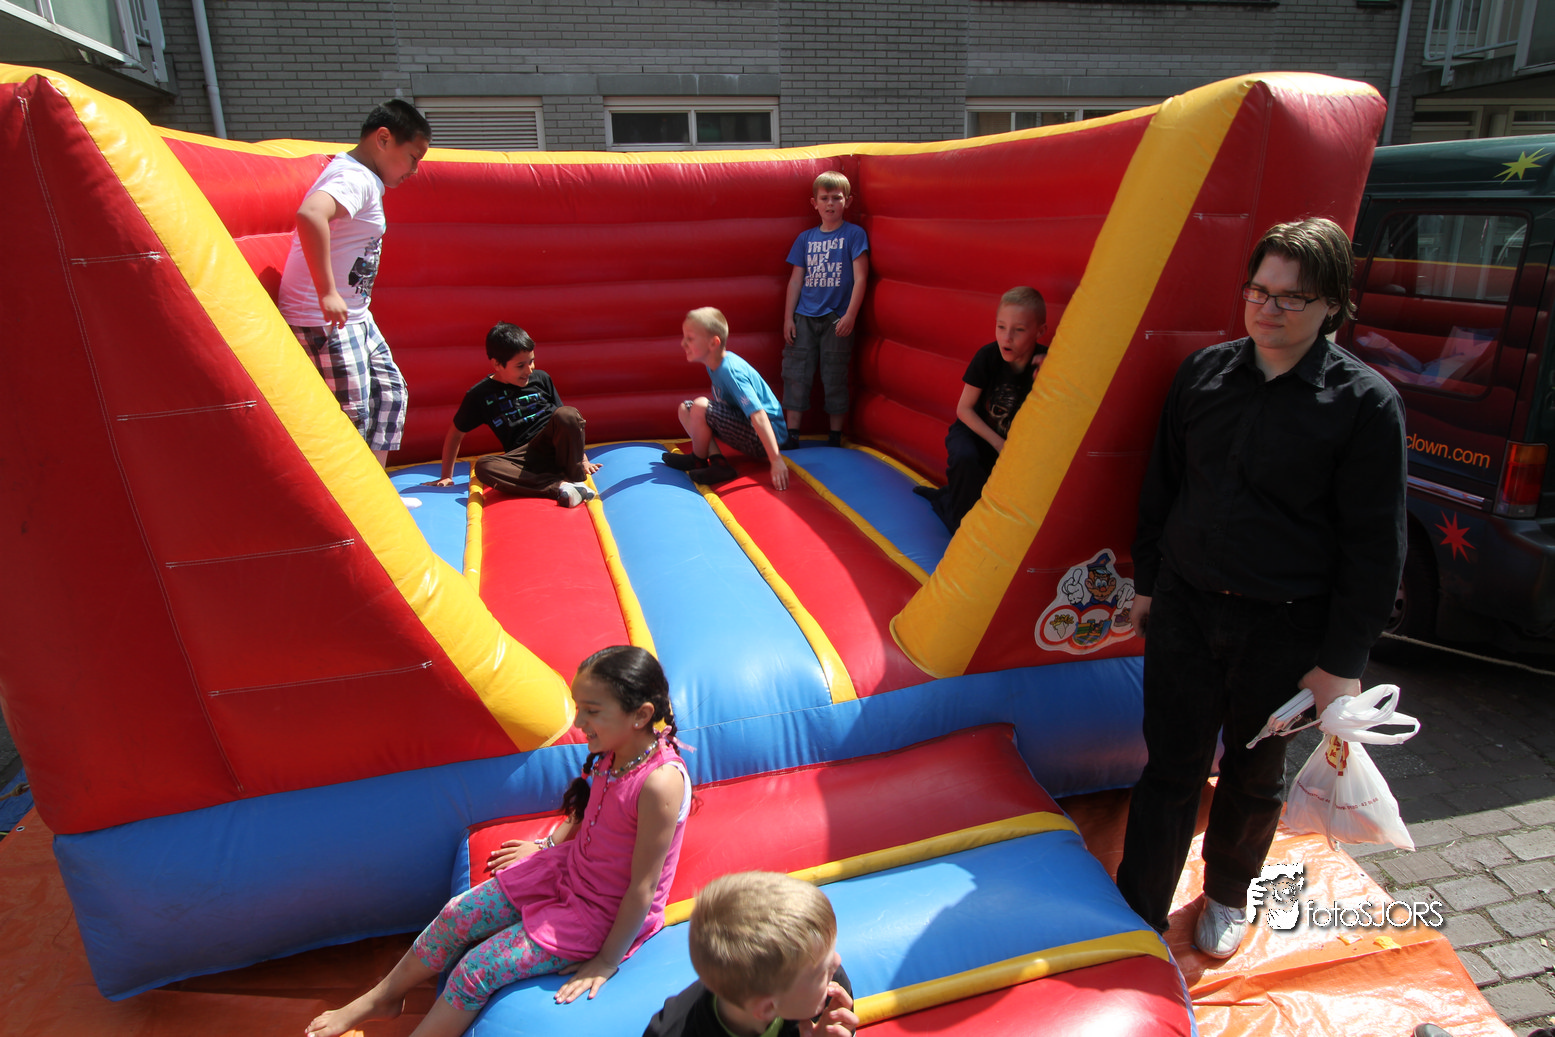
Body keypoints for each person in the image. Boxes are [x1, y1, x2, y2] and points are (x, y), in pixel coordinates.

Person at [1116, 218, 1407, 960]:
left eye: (1290, 297)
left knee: (1252, 772)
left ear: (1332, 304)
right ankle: (1137, 909)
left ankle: (1226, 893)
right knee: (1170, 764)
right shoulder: (1202, 375)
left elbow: (1375, 547)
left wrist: (1340, 662)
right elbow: (1162, 487)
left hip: (1286, 628)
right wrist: (1148, 583)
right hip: (1185, 607)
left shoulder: (1364, 404)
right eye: (1258, 290)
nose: (1267, 309)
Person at [305, 646, 691, 1037]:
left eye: (591, 711)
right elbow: (591, 806)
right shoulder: (614, 747)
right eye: (579, 708)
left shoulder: (659, 783)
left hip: (601, 912)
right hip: (568, 871)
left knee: (475, 970)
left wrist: (607, 960)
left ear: (640, 715)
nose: (579, 722)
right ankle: (382, 998)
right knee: (457, 914)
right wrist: (547, 846)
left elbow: (643, 889)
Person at [278, 100, 431, 466]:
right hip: (323, 319)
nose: (414, 170)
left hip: (356, 315)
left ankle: (374, 483)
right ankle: (353, 492)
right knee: (354, 415)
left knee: (391, 394)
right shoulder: (355, 177)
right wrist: (327, 291)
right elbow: (310, 214)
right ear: (384, 138)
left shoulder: (365, 178)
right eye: (413, 158)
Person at [641, 871, 857, 1037]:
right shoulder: (670, 1031)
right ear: (768, 1008)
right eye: (820, 972)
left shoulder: (828, 991)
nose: (836, 962)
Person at [913, 286, 1049, 532]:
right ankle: (952, 515)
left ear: (1040, 331)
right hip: (974, 431)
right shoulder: (988, 357)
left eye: (1019, 330)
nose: (1007, 338)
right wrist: (998, 444)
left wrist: (1053, 375)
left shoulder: (1046, 363)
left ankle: (946, 496)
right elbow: (964, 410)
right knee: (965, 458)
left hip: (1008, 441)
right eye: (1001, 327)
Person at [424, 322, 601, 507]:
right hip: (523, 459)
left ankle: (574, 477)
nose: (529, 369)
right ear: (497, 364)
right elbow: (455, 433)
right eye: (520, 365)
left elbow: (568, 423)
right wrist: (446, 476)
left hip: (555, 447)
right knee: (484, 466)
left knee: (568, 413)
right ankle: (561, 487)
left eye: (531, 361)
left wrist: (582, 459)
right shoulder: (480, 395)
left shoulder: (541, 378)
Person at [781, 171, 871, 450]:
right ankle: (792, 434)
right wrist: (788, 318)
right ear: (814, 203)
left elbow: (861, 278)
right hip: (805, 317)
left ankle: (835, 435)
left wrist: (851, 315)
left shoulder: (854, 235)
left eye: (836, 198)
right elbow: (795, 281)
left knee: (834, 374)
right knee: (796, 373)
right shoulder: (805, 239)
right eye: (824, 198)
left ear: (848, 201)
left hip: (837, 319)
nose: (830, 203)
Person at [661, 307, 790, 490]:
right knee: (686, 409)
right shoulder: (712, 365)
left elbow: (759, 415)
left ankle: (705, 461)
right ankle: (712, 462)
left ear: (713, 343)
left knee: (700, 405)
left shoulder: (731, 371)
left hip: (768, 437)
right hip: (747, 427)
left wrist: (776, 460)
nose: (683, 343)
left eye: (690, 339)